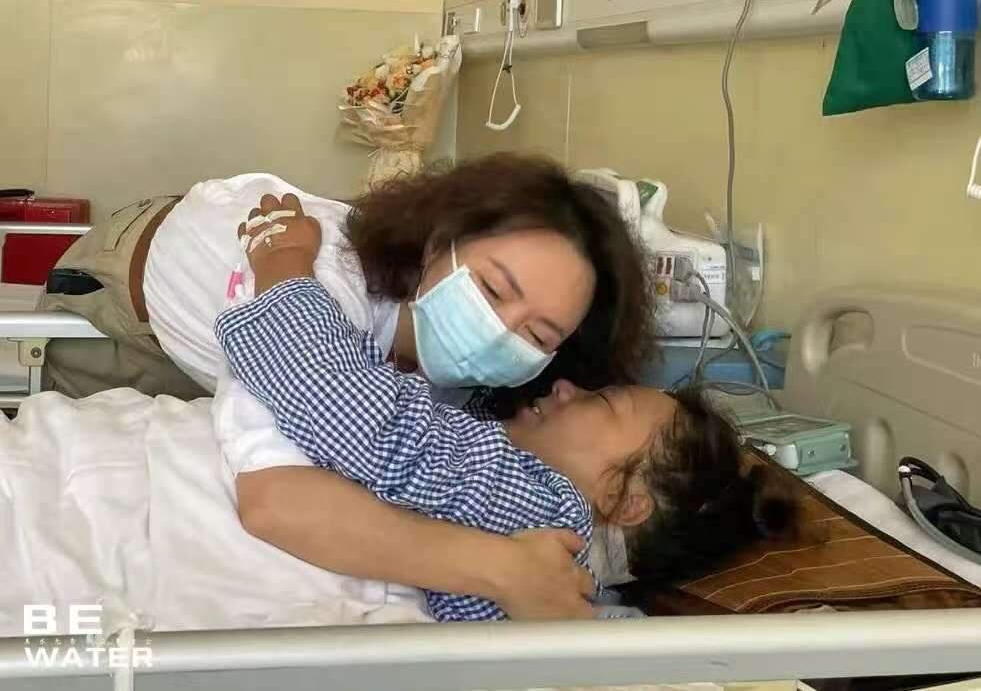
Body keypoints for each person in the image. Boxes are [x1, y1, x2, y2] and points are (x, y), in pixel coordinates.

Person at [38, 153, 657, 620]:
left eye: (538, 334)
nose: (502, 330)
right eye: (493, 290)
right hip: (130, 302)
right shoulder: (312, 281)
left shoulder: (486, 407)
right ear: (437, 244)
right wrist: (501, 570)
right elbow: (278, 500)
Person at [215, 202, 793, 621]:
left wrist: (284, 267)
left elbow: (361, 417)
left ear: (624, 502)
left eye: (602, 401)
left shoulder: (541, 508)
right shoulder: (571, 563)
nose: (565, 388)